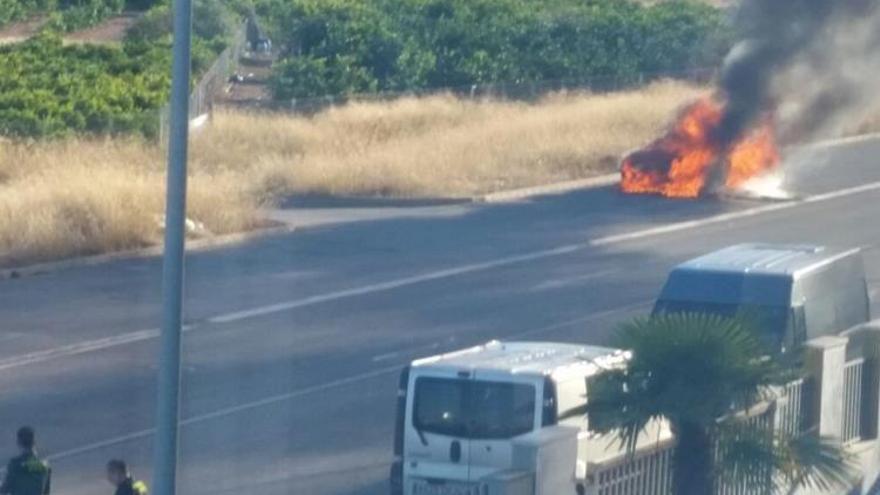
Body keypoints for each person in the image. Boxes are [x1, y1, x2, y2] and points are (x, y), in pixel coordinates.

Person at [0, 427, 51, 495]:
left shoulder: (15, 464)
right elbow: (46, 492)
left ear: (18, 443)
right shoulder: (45, 465)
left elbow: (5, 489)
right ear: (34, 442)